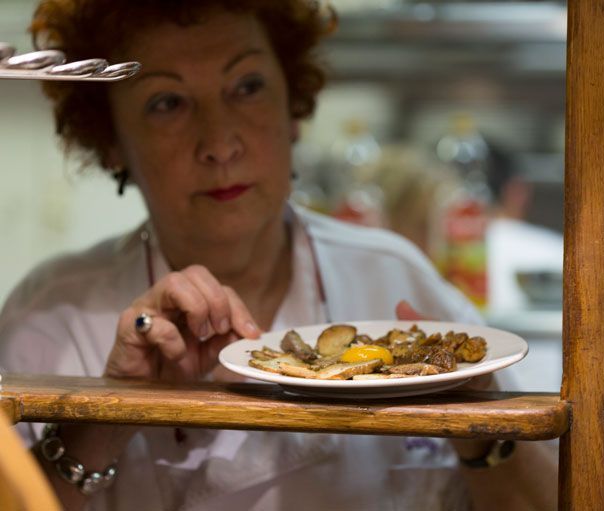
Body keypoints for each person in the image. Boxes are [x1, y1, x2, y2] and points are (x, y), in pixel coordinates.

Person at [0, 1, 557, 510]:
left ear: (294, 107)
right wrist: (107, 412)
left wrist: (483, 427)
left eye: (247, 87)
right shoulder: (54, 318)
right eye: (167, 102)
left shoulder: (393, 277)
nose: (219, 142)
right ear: (112, 139)